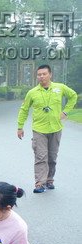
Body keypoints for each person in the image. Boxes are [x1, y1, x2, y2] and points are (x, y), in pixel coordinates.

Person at [17, 64, 78, 193]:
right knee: (41, 157)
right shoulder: (32, 93)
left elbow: (73, 96)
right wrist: (20, 126)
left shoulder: (60, 88)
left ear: (50, 74)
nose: (41, 76)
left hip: (56, 128)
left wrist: (65, 112)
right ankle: (40, 183)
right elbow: (24, 109)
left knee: (52, 157)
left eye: (44, 74)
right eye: (39, 74)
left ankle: (50, 180)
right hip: (39, 130)